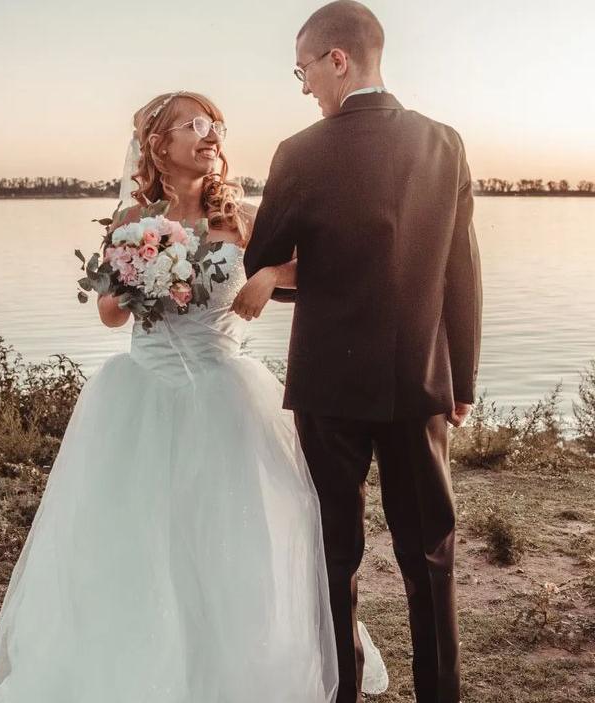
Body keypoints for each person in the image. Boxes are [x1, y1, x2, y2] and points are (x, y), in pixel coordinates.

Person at [0, 90, 388, 702]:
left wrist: (269, 274)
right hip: (139, 395)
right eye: (194, 125)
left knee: (236, 539)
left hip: (227, 392)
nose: (211, 134)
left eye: (216, 124)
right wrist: (143, 280)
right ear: (158, 145)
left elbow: (314, 266)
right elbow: (110, 317)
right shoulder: (129, 222)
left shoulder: (243, 217)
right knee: (138, 542)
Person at [240, 3, 483, 703]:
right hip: (418, 381)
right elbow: (460, 272)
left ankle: (339, 691)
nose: (306, 86)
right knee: (430, 553)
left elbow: (264, 262)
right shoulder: (446, 143)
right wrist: (459, 376)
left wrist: (280, 270)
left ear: (337, 59)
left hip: (326, 386)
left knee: (333, 551)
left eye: (304, 70)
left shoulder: (300, 151)